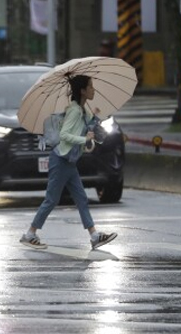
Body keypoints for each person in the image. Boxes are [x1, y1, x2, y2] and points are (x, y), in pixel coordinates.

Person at [20, 75, 117, 250]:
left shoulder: (82, 110)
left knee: (81, 198)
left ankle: (94, 236)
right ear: (82, 91)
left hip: (69, 162)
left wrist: (94, 118)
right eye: (90, 87)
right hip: (61, 160)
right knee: (51, 200)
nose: (93, 90)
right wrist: (83, 139)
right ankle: (30, 234)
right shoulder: (74, 110)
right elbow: (65, 135)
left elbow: (90, 128)